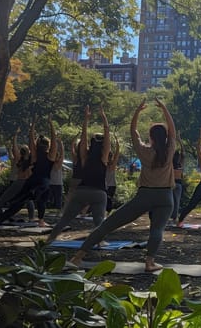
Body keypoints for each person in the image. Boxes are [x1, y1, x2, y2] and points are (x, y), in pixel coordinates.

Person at [69, 98, 176, 272]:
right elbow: (172, 130)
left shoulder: (144, 151)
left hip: (145, 196)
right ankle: (149, 262)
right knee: (157, 230)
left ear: (151, 137)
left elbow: (133, 131)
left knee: (109, 224)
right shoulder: (170, 149)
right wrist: (164, 109)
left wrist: (137, 112)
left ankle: (77, 257)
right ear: (165, 138)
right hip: (166, 197)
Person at [47, 105, 111, 243]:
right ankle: (100, 241)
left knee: (65, 219)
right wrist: (103, 117)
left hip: (81, 191)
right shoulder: (103, 157)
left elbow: (83, 139)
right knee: (99, 220)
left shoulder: (84, 157)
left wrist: (86, 120)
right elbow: (107, 138)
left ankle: (49, 240)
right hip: (98, 193)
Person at [0, 118, 58, 227]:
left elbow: (31, 140)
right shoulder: (50, 155)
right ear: (48, 145)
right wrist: (51, 125)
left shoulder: (34, 154)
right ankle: (41, 220)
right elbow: (54, 141)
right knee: (41, 201)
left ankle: (0, 219)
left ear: (37, 145)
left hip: (31, 181)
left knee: (19, 202)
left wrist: (32, 127)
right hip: (43, 182)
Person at [0, 128, 35, 222]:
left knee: (3, 200)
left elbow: (15, 147)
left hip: (19, 182)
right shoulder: (31, 160)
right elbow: (32, 146)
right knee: (29, 201)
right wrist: (31, 132)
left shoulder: (18, 159)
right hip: (27, 183)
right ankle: (31, 218)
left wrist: (15, 136)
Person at [168, 131, 185, 225]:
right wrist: (178, 140)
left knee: (172, 201)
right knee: (175, 202)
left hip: (173, 183)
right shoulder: (177, 164)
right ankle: (173, 217)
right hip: (175, 183)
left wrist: (177, 140)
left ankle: (172, 217)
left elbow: (182, 152)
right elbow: (183, 152)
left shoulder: (174, 164)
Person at [105, 134, 121, 214]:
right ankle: (105, 213)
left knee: (108, 199)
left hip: (111, 185)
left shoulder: (112, 165)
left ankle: (108, 213)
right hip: (104, 185)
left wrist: (117, 142)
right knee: (104, 199)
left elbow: (117, 154)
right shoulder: (103, 164)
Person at [48, 139, 65, 211]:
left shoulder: (59, 163)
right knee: (49, 200)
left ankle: (58, 211)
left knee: (58, 200)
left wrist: (61, 144)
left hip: (58, 184)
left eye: (57, 156)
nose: (56, 158)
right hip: (51, 183)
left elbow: (62, 154)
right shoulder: (50, 163)